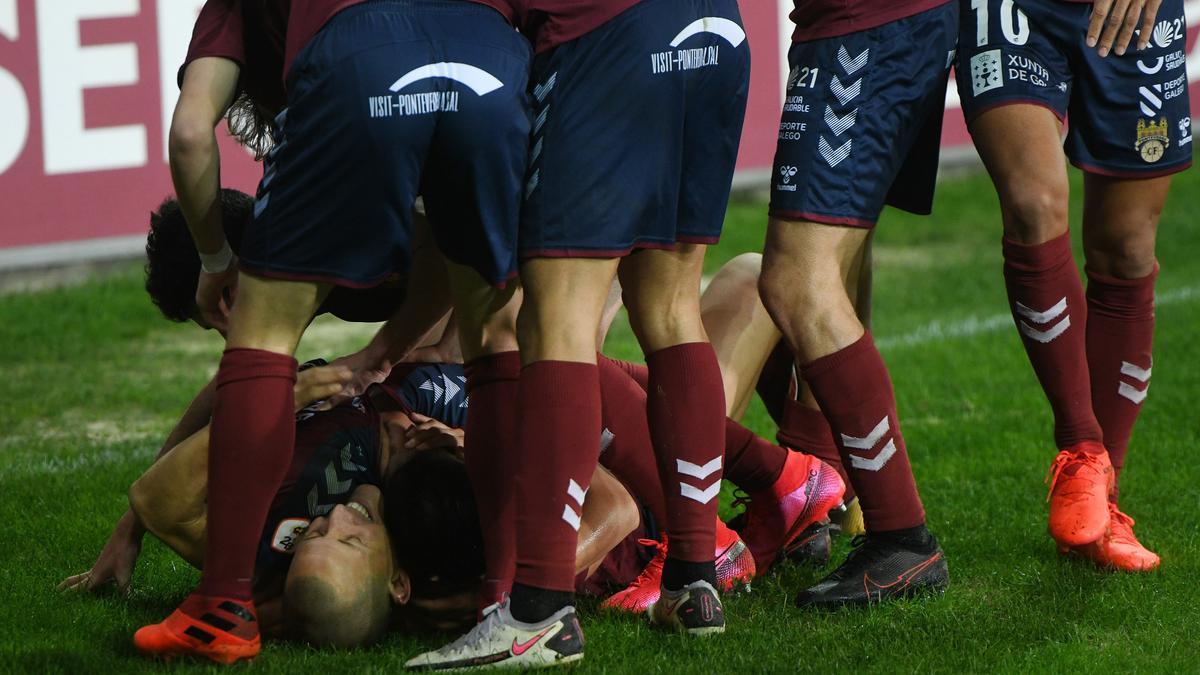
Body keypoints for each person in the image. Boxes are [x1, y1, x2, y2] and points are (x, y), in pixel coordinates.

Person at [143, 0, 534, 663]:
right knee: (497, 339)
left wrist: (216, 262)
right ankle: (513, 595)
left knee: (262, 337)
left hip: (360, 62)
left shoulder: (250, 18)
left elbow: (188, 135)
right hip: (490, 57)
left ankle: (222, 604)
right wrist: (386, 352)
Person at [955, 0, 1188, 571]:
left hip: (1136, 13)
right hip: (1011, 9)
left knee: (1127, 250)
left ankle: (1103, 501)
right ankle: (1083, 448)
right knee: (1033, 205)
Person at [756, 0, 958, 609]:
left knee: (795, 281)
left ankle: (902, 535)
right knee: (839, 248)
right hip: (879, 23)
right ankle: (813, 484)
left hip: (870, 24)